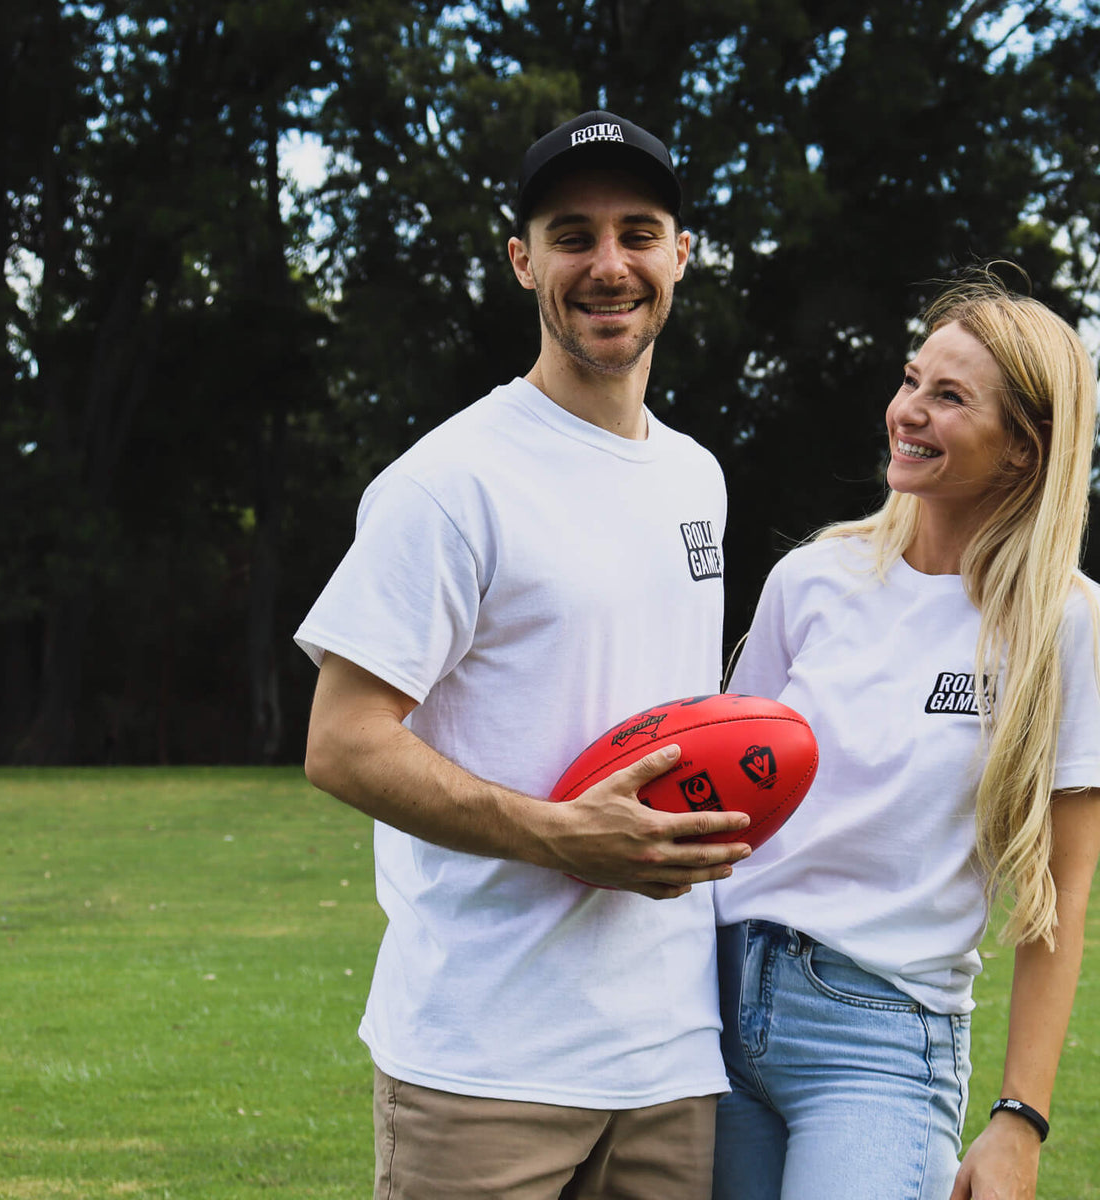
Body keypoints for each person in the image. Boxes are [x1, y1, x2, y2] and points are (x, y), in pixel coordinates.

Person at [295, 110, 752, 1200]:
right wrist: (559, 835)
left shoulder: (698, 477)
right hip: (483, 1064)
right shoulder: (449, 484)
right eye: (572, 234)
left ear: (679, 256)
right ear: (522, 261)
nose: (609, 265)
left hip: (671, 1060)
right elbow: (342, 744)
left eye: (638, 233)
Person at [711, 270, 1100, 1200]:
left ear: (1024, 448)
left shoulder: (1069, 626)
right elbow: (724, 807)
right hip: (715, 1003)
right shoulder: (811, 580)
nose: (910, 411)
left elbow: (1061, 896)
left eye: (949, 397)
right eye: (911, 382)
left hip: (879, 1039)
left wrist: (1020, 1120)